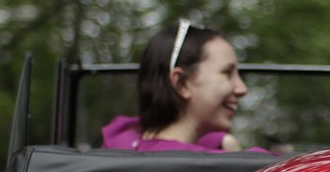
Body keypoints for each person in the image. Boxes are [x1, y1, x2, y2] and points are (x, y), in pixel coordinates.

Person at [102, 20, 255, 152]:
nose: (242, 89)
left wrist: (221, 140)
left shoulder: (119, 142)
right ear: (182, 83)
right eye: (227, 73)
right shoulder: (213, 165)